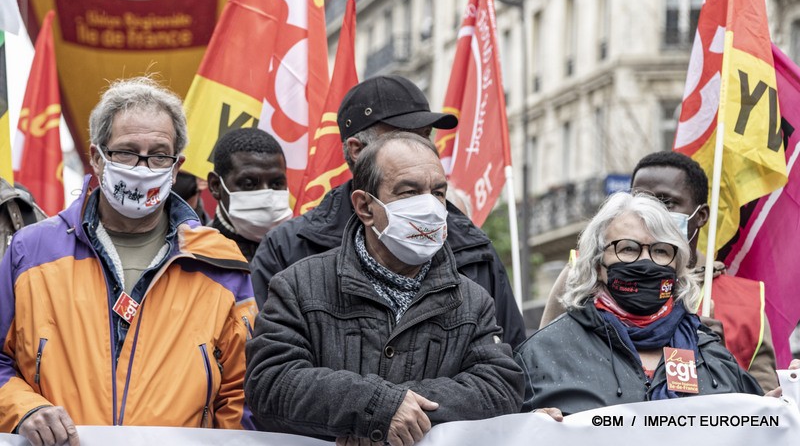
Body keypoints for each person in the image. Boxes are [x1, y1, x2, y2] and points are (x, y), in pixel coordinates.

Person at [0, 77, 256, 444]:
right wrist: (23, 408)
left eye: (158, 154)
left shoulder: (219, 262)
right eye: (126, 151)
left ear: (176, 164)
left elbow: (242, 392)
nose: (141, 167)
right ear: (96, 157)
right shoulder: (30, 251)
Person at [245, 132, 523, 444]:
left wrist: (397, 412)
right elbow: (270, 383)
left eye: (438, 193)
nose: (429, 207)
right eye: (409, 192)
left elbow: (500, 388)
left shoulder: (472, 300)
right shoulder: (298, 285)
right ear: (364, 206)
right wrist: (375, 408)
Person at [250, 75, 526, 348]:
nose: (419, 152)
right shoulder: (289, 249)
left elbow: (509, 365)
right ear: (357, 150)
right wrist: (384, 395)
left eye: (425, 138)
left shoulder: (471, 247)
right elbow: (278, 371)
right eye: (403, 138)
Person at [539, 151, 779, 391]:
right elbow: (544, 364)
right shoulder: (582, 275)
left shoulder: (747, 302)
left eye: (666, 202)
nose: (650, 211)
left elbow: (763, 408)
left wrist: (717, 359)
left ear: (701, 215)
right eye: (641, 199)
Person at [515, 192, 763, 415]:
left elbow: (757, 428)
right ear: (598, 265)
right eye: (628, 249)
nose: (646, 262)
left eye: (661, 251)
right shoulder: (543, 354)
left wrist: (780, 410)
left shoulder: (712, 356)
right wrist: (530, 430)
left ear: (677, 268)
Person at [207, 128, 292, 262]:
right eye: (249, 184)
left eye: (276, 184)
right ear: (216, 186)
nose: (266, 195)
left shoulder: (303, 254)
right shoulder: (196, 258)